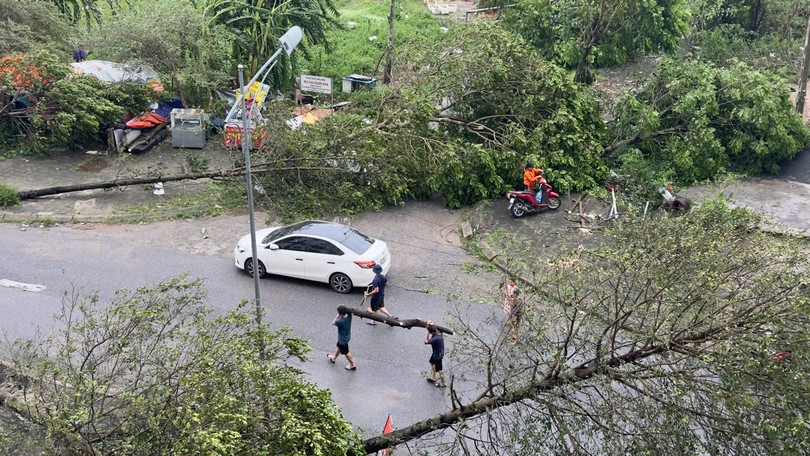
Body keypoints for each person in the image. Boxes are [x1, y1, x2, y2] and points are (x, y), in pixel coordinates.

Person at [328, 305, 357, 370]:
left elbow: (333, 322)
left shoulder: (340, 321)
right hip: (346, 336)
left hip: (343, 339)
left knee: (346, 352)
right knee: (339, 346)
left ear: (340, 313)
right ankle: (334, 357)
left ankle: (353, 364)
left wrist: (337, 316)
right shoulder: (349, 316)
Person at [424, 321, 446, 388]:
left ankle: (443, 383)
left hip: (438, 355)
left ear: (430, 332)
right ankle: (434, 377)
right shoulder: (438, 333)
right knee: (431, 362)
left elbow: (425, 342)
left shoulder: (435, 339)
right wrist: (429, 323)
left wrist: (427, 334)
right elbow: (433, 325)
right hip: (435, 353)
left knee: (440, 370)